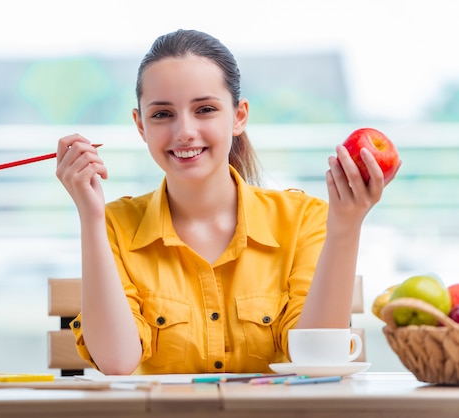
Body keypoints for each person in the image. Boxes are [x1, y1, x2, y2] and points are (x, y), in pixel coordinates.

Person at [55, 29, 400, 375]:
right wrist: (90, 217)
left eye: (204, 109)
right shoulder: (113, 224)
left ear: (239, 116)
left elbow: (315, 362)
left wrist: (346, 228)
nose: (184, 131)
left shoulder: (304, 220)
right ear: (140, 125)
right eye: (162, 114)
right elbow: (117, 362)